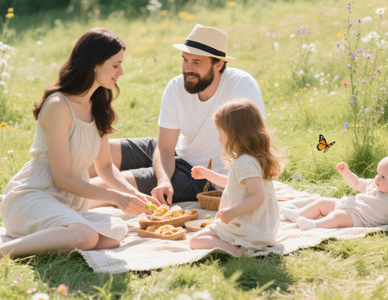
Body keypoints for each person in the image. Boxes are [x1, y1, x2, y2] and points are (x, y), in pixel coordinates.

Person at [0, 28, 159, 260]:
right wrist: (116, 198)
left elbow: (106, 167)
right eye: (115, 65)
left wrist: (133, 195)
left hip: (69, 204)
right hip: (33, 197)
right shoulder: (59, 105)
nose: (121, 72)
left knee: (117, 230)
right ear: (94, 65)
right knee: (86, 236)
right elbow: (63, 178)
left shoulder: (97, 106)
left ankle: (45, 239)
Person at [90, 24, 266, 204]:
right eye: (185, 59)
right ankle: (62, 181)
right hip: (177, 150)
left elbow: (255, 145)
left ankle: (64, 203)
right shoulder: (176, 86)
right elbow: (165, 147)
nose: (187, 68)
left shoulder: (240, 86)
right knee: (95, 150)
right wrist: (163, 179)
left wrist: (244, 186)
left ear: (218, 64)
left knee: (101, 186)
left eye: (196, 62)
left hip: (201, 175)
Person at [189, 100, 285, 256]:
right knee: (201, 236)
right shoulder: (252, 158)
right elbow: (233, 185)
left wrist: (233, 212)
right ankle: (240, 246)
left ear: (235, 135)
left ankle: (238, 251)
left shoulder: (244, 162)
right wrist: (208, 174)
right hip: (257, 227)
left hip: (248, 228)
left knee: (196, 241)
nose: (219, 138)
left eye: (220, 133)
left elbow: (257, 196)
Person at [282, 155, 388, 230]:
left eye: (383, 177)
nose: (377, 178)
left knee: (337, 217)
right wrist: (345, 172)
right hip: (345, 204)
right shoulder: (374, 184)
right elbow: (356, 183)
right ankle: (299, 214)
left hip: (357, 218)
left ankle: (313, 225)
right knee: (323, 202)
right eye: (378, 173)